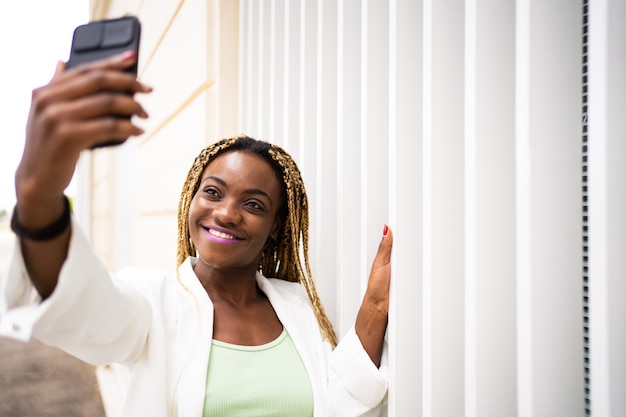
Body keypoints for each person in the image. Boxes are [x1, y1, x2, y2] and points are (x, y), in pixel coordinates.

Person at [0, 51, 392, 416]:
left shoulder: (295, 306)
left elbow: (339, 401)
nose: (225, 213)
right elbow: (84, 308)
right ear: (192, 199)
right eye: (213, 192)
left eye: (253, 204)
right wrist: (39, 200)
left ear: (275, 229)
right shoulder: (155, 301)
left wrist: (374, 307)